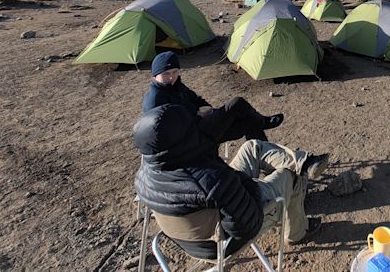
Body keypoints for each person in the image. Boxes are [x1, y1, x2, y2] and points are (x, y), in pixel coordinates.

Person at [133, 105, 327, 259]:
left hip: (192, 233)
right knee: (289, 176)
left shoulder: (144, 176)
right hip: (223, 240)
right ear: (184, 137)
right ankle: (298, 232)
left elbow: (211, 184)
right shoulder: (209, 179)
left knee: (251, 147)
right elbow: (247, 224)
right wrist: (246, 183)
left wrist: (230, 180)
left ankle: (304, 161)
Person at [142, 51, 282, 143]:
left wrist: (207, 109)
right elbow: (169, 130)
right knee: (236, 103)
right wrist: (198, 116)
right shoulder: (155, 100)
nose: (172, 77)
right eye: (166, 74)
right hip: (194, 137)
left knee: (249, 123)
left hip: (204, 124)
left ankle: (264, 157)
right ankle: (263, 122)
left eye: (175, 71)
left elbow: (196, 99)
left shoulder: (176, 85)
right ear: (155, 74)